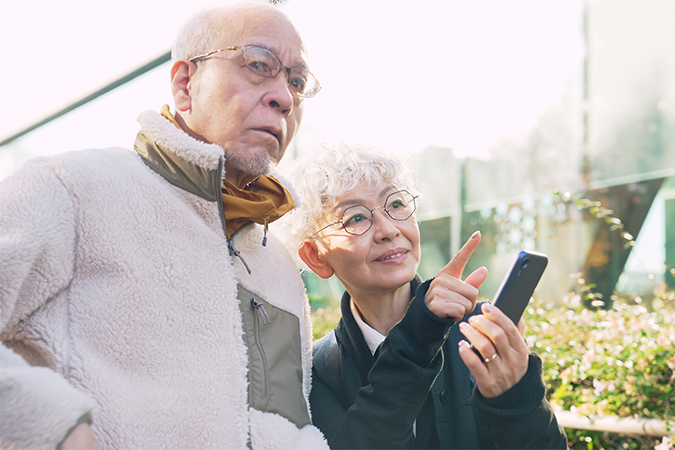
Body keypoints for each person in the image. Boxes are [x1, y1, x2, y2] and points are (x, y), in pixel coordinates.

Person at [0, 3, 329, 449]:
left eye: (296, 81)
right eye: (258, 65)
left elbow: (289, 424)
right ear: (184, 85)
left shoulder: (281, 266)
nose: (285, 97)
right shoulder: (70, 189)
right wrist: (53, 426)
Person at [278, 142, 568, 449]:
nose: (388, 229)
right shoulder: (316, 374)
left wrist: (515, 398)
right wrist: (417, 338)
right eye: (356, 218)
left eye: (396, 203)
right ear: (315, 257)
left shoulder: (480, 333)